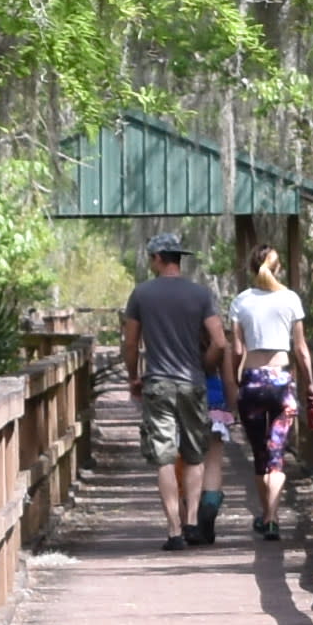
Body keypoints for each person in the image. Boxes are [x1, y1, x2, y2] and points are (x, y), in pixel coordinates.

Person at [122, 233, 230, 544]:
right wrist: (204, 365)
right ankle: (193, 520)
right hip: (192, 383)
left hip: (157, 381)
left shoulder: (141, 294)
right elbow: (220, 342)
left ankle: (174, 530)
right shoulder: (200, 294)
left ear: (157, 258)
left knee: (165, 457)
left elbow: (130, 343)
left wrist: (133, 376)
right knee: (195, 456)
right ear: (178, 259)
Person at [223, 238, 308, 543]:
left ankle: (265, 514)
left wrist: (233, 383)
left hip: (253, 383)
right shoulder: (290, 299)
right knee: (277, 457)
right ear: (278, 267)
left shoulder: (241, 301)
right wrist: (310, 385)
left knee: (260, 456)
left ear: (251, 268)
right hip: (282, 382)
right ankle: (271, 517)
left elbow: (236, 350)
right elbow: (301, 349)